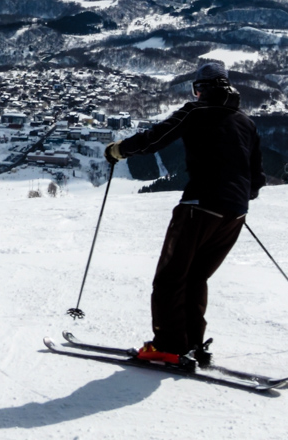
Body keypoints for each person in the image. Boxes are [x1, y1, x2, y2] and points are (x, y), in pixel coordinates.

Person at [105, 60, 264, 368]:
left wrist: (119, 150)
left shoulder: (195, 111)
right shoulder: (246, 122)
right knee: (196, 276)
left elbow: (156, 137)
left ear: (201, 89)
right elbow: (256, 179)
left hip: (199, 206)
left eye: (197, 89)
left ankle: (168, 345)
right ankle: (193, 344)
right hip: (235, 213)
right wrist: (234, 197)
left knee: (170, 277)